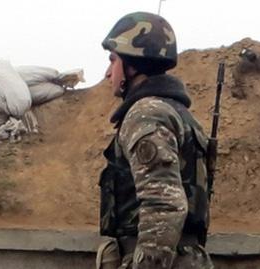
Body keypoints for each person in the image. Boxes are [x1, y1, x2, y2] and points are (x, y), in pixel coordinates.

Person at [96, 12, 214, 269]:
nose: (107, 73)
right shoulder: (178, 114)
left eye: (112, 60)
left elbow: (164, 203)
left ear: (132, 65)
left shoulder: (146, 114)